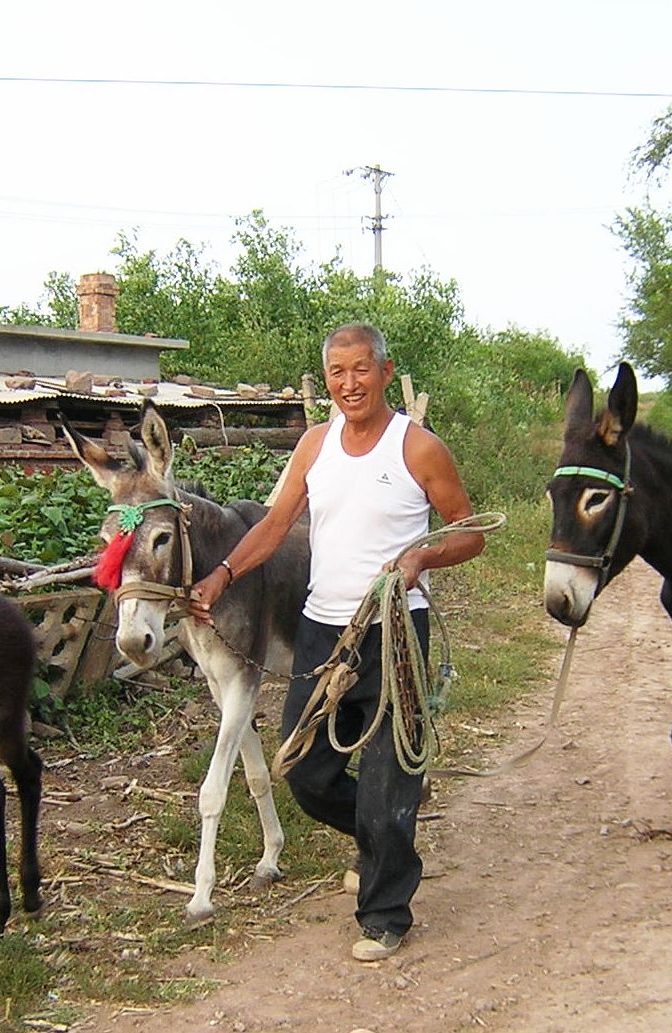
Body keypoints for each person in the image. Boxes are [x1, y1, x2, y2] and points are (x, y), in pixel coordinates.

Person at [187, 322, 484, 961]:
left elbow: (470, 532)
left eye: (360, 370)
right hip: (325, 627)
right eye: (337, 373)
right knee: (307, 769)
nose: (349, 384)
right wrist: (222, 574)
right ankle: (385, 840)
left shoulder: (419, 448)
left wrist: (419, 561)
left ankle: (384, 914)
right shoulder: (314, 445)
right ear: (327, 380)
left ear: (384, 370)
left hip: (396, 629)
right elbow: (274, 525)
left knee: (386, 774)